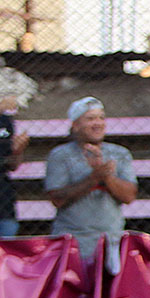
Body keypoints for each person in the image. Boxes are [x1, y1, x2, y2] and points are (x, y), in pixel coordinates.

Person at [45, 96, 137, 269]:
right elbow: (57, 198)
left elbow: (129, 196)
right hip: (72, 241)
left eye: (101, 118)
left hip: (112, 240)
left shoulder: (120, 153)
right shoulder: (60, 155)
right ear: (75, 125)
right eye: (90, 118)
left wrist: (106, 177)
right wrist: (94, 178)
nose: (98, 123)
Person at [0, 85, 28, 238]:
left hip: (1, 204)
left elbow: (12, 165)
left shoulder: (4, 120)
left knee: (4, 256)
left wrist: (18, 150)